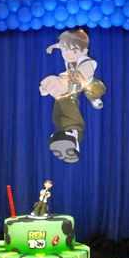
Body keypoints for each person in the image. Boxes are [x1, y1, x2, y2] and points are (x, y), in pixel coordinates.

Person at [40, 29, 106, 163]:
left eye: (74, 51)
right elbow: (62, 45)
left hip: (89, 83)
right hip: (72, 82)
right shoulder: (66, 51)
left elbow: (85, 73)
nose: (69, 55)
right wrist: (53, 47)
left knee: (78, 96)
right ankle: (64, 132)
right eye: (65, 51)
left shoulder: (86, 62)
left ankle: (74, 131)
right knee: (60, 104)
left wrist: (74, 80)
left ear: (84, 51)